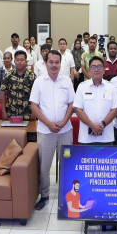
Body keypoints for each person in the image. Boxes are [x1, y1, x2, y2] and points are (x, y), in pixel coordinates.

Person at [29, 50, 75, 210]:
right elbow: (34, 106)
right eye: (51, 62)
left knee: (66, 164)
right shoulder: (39, 82)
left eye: (57, 62)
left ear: (60, 64)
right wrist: (49, 124)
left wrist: (64, 121)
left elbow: (71, 104)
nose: (54, 65)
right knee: (44, 166)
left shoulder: (67, 81)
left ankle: (66, 195)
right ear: (46, 63)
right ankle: (44, 195)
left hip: (65, 131)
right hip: (45, 131)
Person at [74, 56, 117, 144]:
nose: (96, 69)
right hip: (86, 138)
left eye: (99, 66)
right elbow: (78, 109)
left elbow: (115, 109)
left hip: (106, 137)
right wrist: (92, 126)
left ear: (104, 70)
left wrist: (102, 125)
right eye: (93, 67)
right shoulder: (82, 86)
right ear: (89, 70)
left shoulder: (111, 87)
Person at [0, 50, 37, 120]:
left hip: (28, 114)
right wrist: (3, 111)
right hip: (12, 114)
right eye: (17, 60)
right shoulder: (8, 75)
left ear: (26, 61)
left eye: (22, 60)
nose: (19, 62)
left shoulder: (32, 75)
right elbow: (3, 93)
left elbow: (36, 95)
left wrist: (34, 112)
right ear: (14, 61)